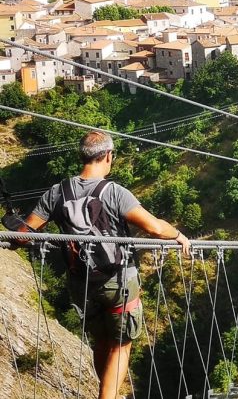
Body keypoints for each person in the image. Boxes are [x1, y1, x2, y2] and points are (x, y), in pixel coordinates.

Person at [15, 131, 191, 399]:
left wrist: (10, 223)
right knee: (121, 345)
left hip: (82, 284)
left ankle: (106, 393)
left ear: (81, 156)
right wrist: (178, 235)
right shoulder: (114, 192)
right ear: (108, 156)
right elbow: (154, 228)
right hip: (118, 281)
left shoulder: (57, 193)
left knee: (101, 341)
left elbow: (25, 236)